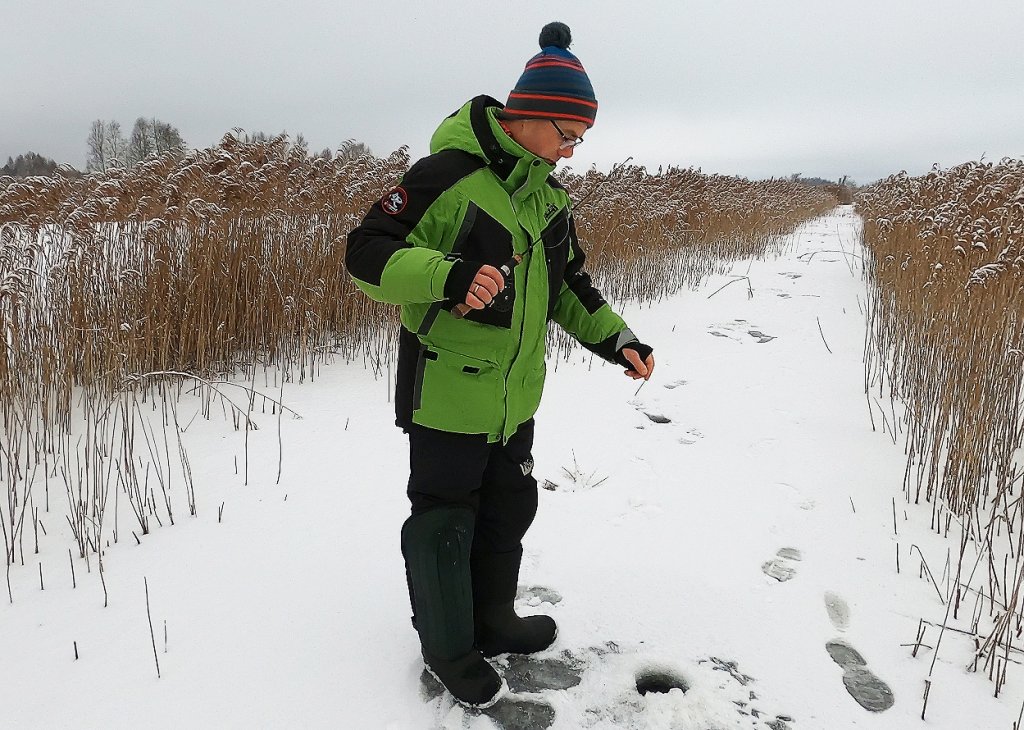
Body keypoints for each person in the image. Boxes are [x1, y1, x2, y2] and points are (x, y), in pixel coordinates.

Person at [345, 21, 655, 708]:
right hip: (445, 396)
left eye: (580, 140)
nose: (572, 153)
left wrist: (617, 340)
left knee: (507, 507)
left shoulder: (547, 200)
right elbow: (365, 253)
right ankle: (449, 651)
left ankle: (493, 621)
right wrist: (448, 277)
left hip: (515, 400)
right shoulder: (445, 177)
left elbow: (570, 287)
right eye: (568, 135)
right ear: (528, 116)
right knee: (444, 519)